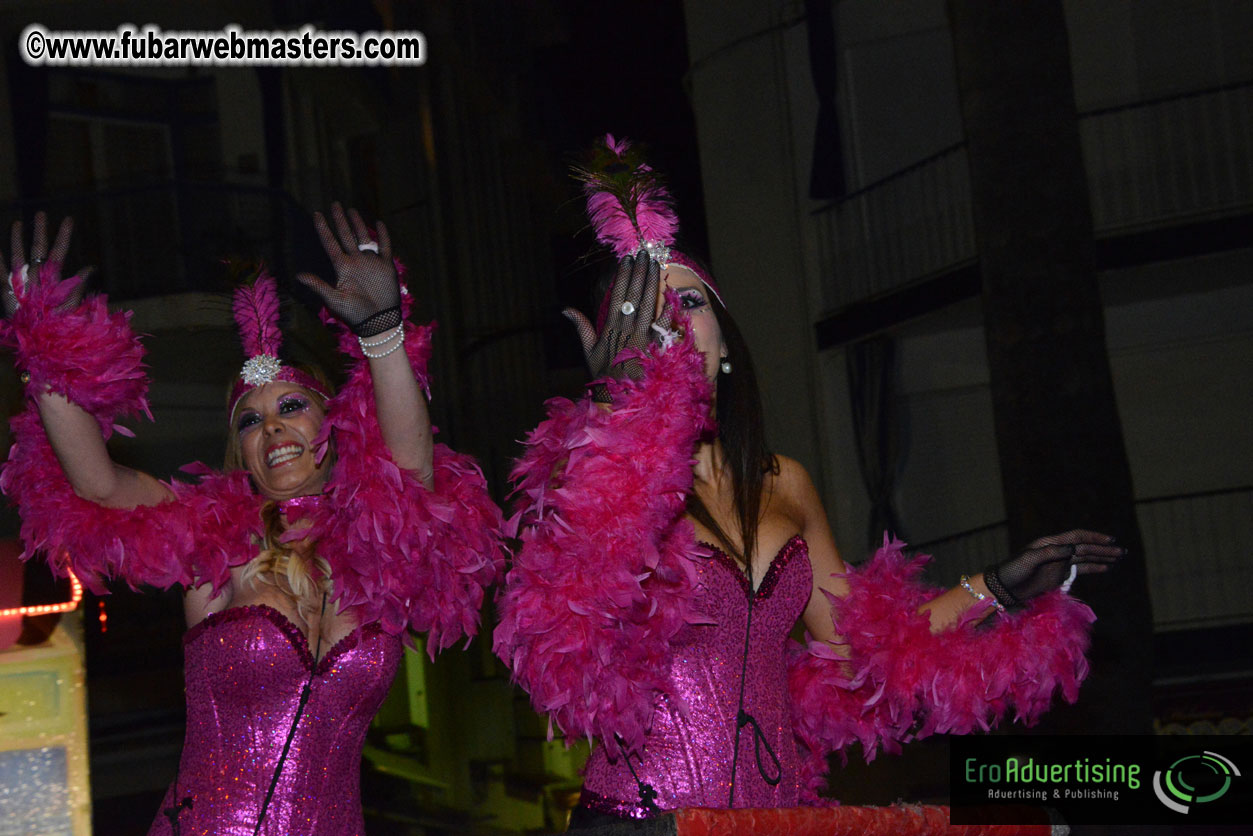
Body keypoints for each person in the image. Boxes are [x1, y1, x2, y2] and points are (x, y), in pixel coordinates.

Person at [493, 136, 1124, 826]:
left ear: (724, 339)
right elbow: (563, 638)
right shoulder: (586, 479)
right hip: (642, 825)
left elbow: (862, 653)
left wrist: (997, 587)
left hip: (773, 821)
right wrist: (623, 419)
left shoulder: (784, 483)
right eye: (645, 314)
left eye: (691, 302)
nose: (673, 323)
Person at [0, 207, 506, 836]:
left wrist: (382, 334)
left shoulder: (375, 542)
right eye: (250, 420)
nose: (272, 429)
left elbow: (412, 469)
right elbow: (98, 483)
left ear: (333, 425)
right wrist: (45, 344)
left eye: (291, 407)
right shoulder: (216, 539)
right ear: (239, 451)